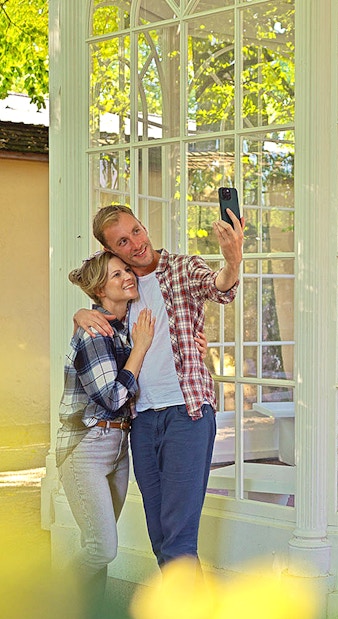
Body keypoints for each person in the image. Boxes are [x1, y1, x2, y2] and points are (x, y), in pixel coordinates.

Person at [74, 203, 244, 570]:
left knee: (179, 539)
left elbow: (218, 287)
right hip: (142, 421)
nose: (135, 243)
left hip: (188, 413)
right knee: (161, 538)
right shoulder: (123, 291)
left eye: (136, 231)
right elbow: (93, 293)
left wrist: (232, 262)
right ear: (110, 251)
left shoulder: (183, 267)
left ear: (143, 227)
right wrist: (82, 312)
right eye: (122, 240)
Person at [56, 250, 156, 615]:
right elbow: (113, 397)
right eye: (117, 275)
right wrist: (141, 349)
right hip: (87, 446)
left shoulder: (121, 326)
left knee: (95, 543)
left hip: (117, 446)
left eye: (127, 270)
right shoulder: (94, 333)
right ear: (100, 288)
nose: (128, 276)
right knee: (102, 548)